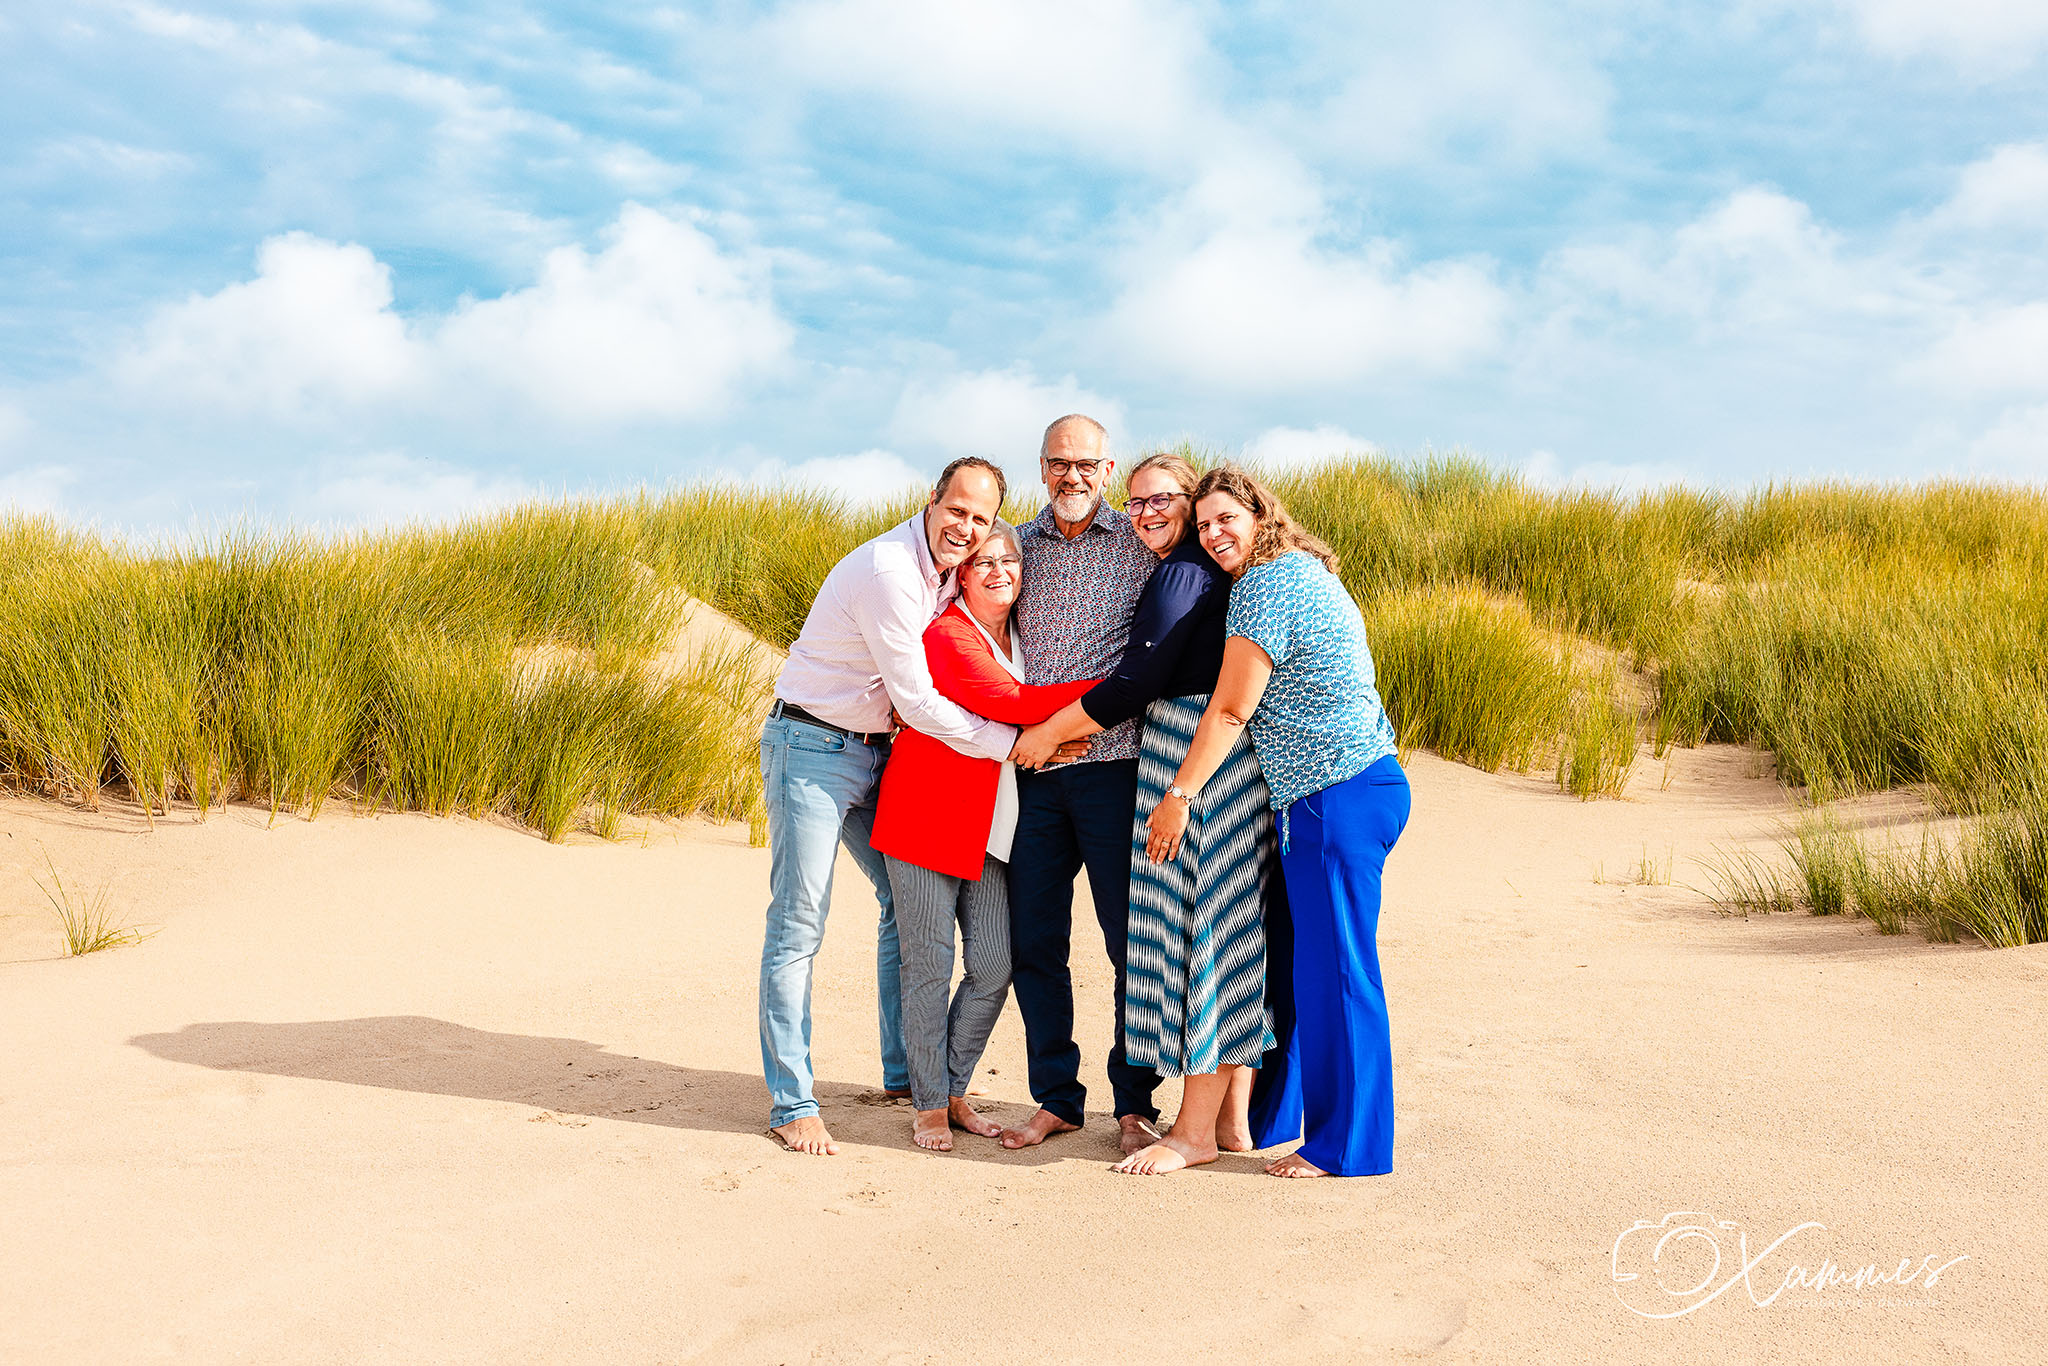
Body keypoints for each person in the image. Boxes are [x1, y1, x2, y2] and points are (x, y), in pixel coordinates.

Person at [1012, 452, 1288, 1175]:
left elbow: (1139, 678)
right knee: (1222, 928)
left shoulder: (1182, 571)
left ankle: (1175, 1120)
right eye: (1136, 504)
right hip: (1192, 753)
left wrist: (1049, 732)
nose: (1147, 513)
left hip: (1183, 757)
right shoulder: (1192, 568)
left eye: (1162, 499)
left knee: (1198, 934)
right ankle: (1228, 1121)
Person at [1144, 465, 1408, 1179]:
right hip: (1348, 790)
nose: (1213, 533)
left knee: (1340, 975)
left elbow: (1231, 708)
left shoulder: (1267, 584)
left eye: (1226, 517)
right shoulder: (1302, 570)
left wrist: (1180, 795)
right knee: (1308, 970)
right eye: (1203, 525)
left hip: (1334, 795)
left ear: (1260, 514)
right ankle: (1278, 1121)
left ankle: (1346, 1148)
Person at [758, 457, 1017, 1157]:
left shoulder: (942, 573)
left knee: (901, 901)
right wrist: (1011, 742)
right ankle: (792, 1101)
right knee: (799, 920)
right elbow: (918, 701)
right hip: (812, 749)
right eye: (957, 510)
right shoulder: (891, 572)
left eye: (981, 519)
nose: (966, 527)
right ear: (932, 501)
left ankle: (906, 1075)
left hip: (878, 757)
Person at [868, 521, 1097, 1152]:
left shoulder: (1021, 637)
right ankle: (929, 1107)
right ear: (961, 573)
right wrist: (1124, 687)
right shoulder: (946, 635)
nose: (1000, 571)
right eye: (983, 561)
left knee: (995, 966)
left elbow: (1028, 696)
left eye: (1010, 560)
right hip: (923, 820)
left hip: (990, 832)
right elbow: (1014, 702)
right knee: (929, 964)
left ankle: (950, 1087)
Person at [1000, 414, 1166, 1156]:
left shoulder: (1140, 546)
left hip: (1114, 773)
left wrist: (1074, 726)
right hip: (1033, 781)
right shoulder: (1013, 548)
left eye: (1087, 465)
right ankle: (1057, 1100)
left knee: (1127, 944)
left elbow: (1153, 661)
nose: (1074, 477)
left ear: (1108, 471)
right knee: (1035, 943)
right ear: (1041, 469)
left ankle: (1134, 1103)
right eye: (1060, 464)